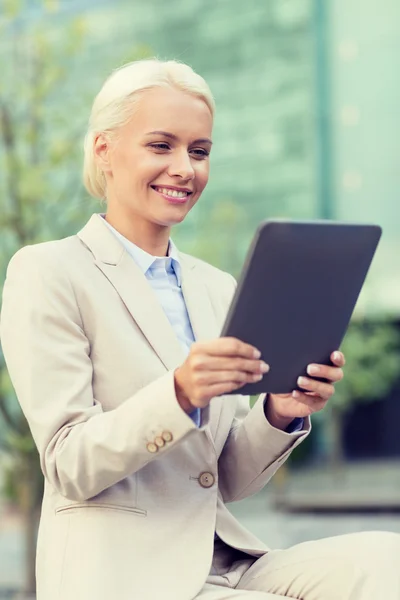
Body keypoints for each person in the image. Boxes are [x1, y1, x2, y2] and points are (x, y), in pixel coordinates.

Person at [0, 58, 399, 600]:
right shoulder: (48, 271)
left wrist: (282, 411)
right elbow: (70, 463)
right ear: (104, 151)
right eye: (161, 146)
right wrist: (180, 393)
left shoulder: (215, 287)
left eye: (200, 151)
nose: (185, 168)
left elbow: (226, 478)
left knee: (387, 562)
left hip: (227, 561)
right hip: (125, 575)